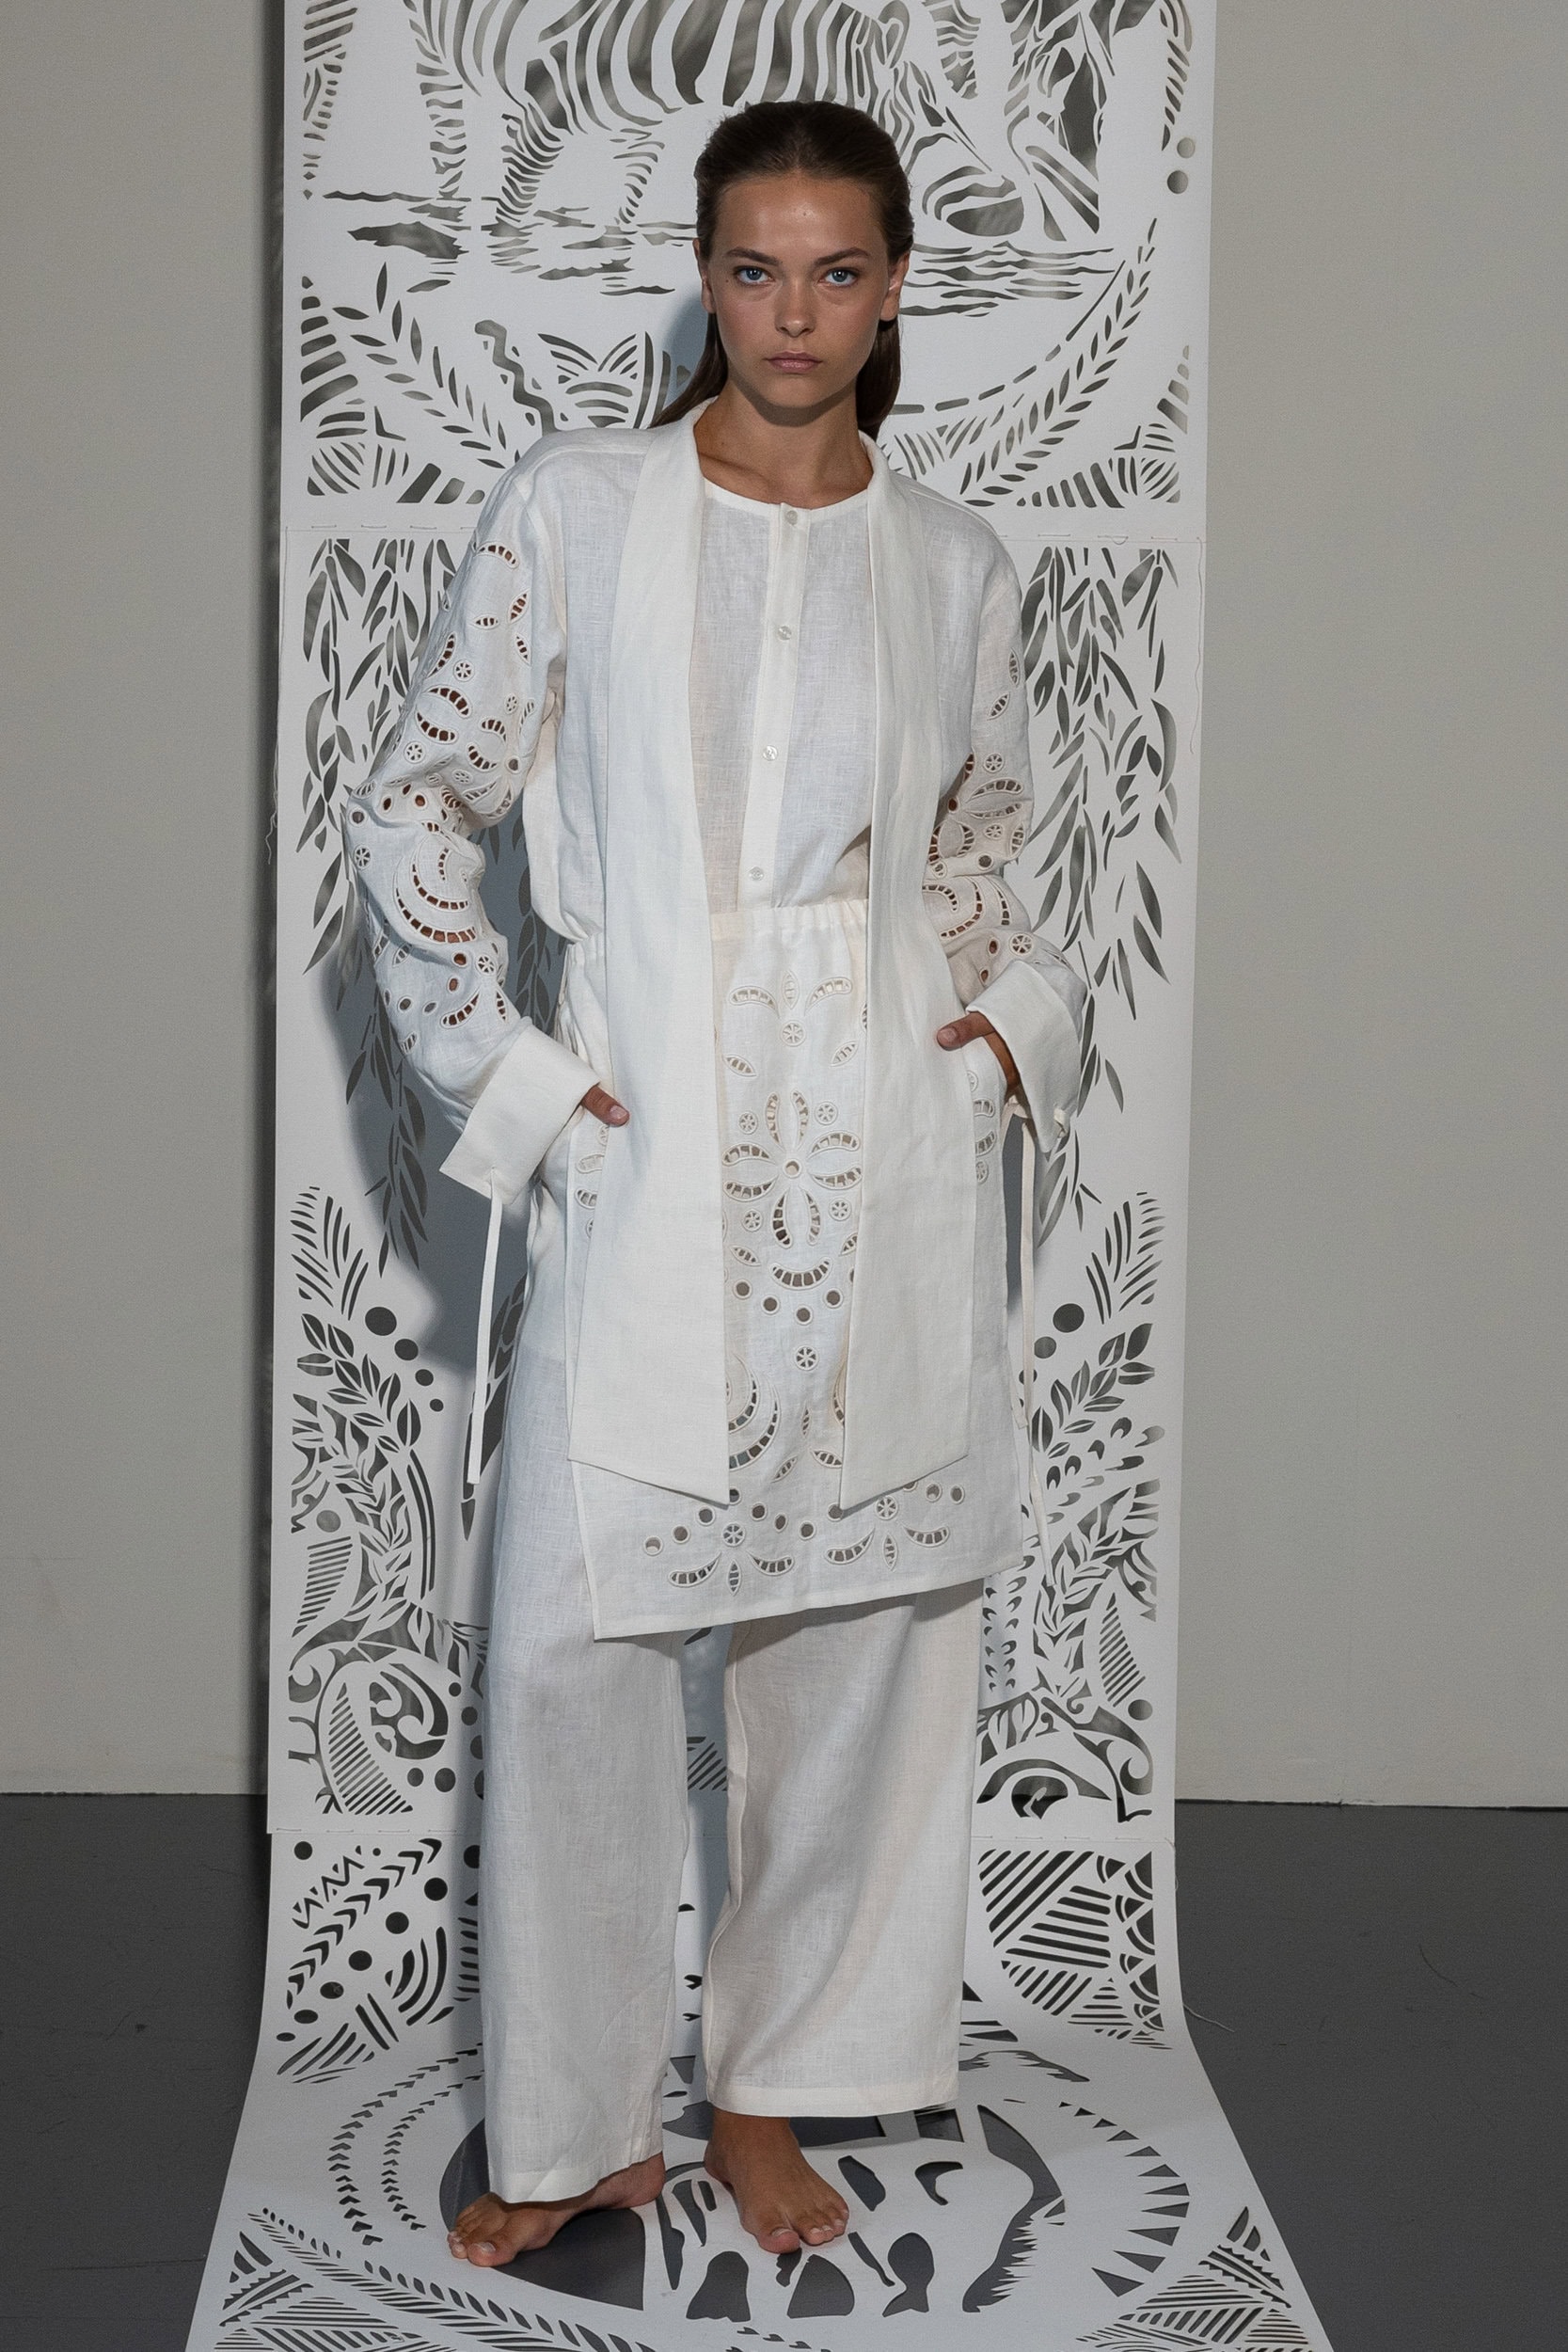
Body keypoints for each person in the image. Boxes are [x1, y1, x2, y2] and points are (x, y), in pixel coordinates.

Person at [342, 99, 1086, 2271]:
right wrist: (523, 1082)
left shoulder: (951, 560)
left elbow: (991, 852)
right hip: (654, 1138)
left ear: (896, 286)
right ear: (703, 275)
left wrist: (988, 1046)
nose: (794, 314)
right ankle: (574, 2122)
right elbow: (419, 804)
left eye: (838, 272)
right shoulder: (576, 509)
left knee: (856, 1652)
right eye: (755, 269)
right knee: (574, 1647)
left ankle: (768, 2081)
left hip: (878, 1151)